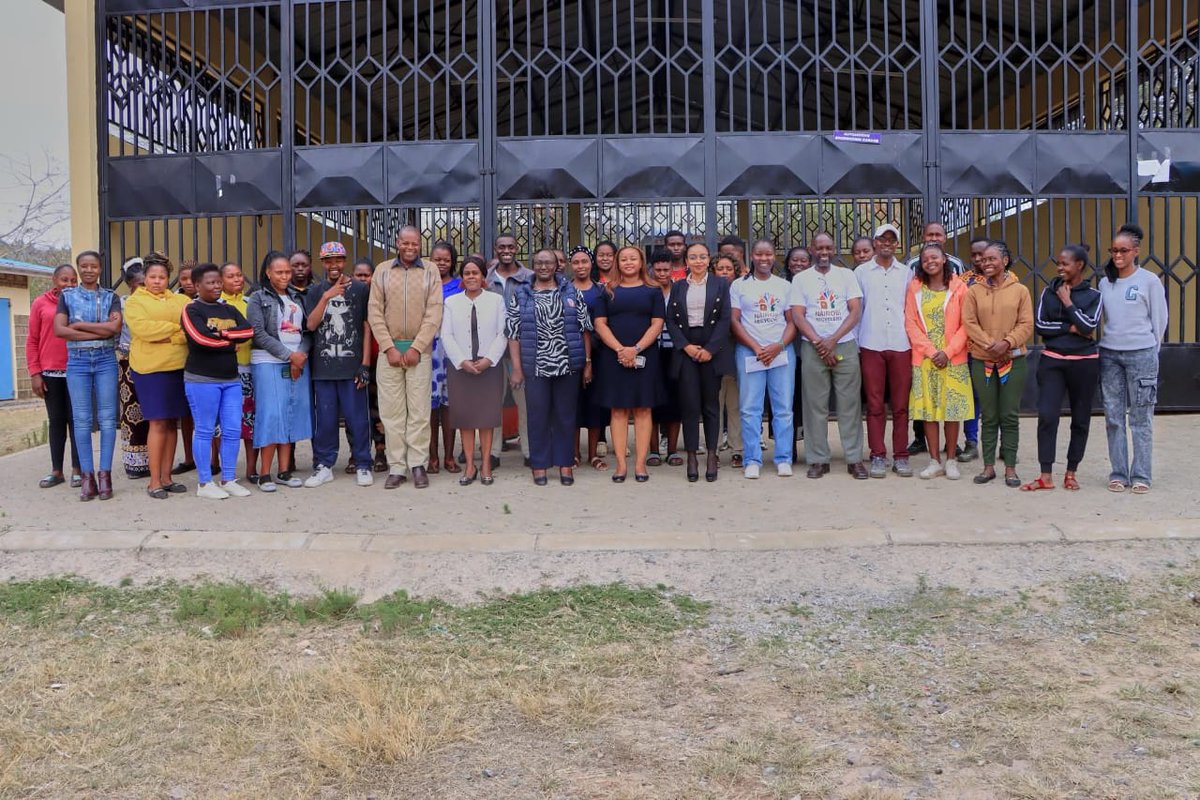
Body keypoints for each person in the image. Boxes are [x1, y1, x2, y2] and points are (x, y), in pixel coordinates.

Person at [506, 249, 593, 485]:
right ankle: (540, 464)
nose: (543, 267)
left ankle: (565, 463)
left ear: (557, 266)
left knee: (565, 416)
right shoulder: (521, 293)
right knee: (538, 416)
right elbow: (513, 333)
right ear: (533, 266)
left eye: (548, 263)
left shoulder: (571, 290)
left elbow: (585, 328)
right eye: (539, 263)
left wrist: (587, 362)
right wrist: (516, 367)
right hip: (535, 366)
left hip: (567, 365)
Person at [368, 226, 444, 489]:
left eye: (415, 244)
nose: (410, 248)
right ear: (397, 243)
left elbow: (435, 311)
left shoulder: (430, 270)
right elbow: (375, 311)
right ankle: (397, 466)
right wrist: (388, 347)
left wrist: (417, 347)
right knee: (392, 413)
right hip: (389, 355)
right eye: (406, 243)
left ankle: (417, 465)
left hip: (419, 353)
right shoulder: (383, 270)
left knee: (420, 411)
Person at [1024, 244, 1103, 492]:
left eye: (1065, 263)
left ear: (1079, 265)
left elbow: (1088, 327)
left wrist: (1068, 303)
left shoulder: (1094, 296)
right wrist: (1069, 327)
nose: (1059, 267)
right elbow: (1040, 326)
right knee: (1047, 416)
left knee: (1080, 419)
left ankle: (1071, 472)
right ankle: (1045, 475)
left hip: (1084, 364)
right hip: (1052, 361)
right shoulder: (1048, 292)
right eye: (1058, 263)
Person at [790, 232, 867, 479]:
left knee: (849, 405)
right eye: (819, 248)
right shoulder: (801, 279)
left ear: (834, 250)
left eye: (828, 248)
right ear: (812, 249)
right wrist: (818, 342)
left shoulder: (847, 275)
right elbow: (798, 315)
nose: (824, 253)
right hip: (812, 348)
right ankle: (818, 459)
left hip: (843, 345)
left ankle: (854, 459)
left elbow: (855, 311)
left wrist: (832, 340)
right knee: (814, 405)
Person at [1097, 223, 1168, 494]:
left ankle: (1141, 475)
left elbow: (1159, 320)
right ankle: (1118, 473)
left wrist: (1151, 350)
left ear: (1135, 251)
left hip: (1142, 354)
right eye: (1114, 250)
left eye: (1123, 250)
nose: (1118, 255)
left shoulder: (1148, 281)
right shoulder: (1106, 282)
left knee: (1140, 418)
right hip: (1110, 355)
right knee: (1113, 416)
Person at [302, 241, 375, 489]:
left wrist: (365, 364)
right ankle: (324, 465)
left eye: (338, 260)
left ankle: (363, 463)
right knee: (325, 419)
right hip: (323, 368)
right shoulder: (315, 291)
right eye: (328, 261)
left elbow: (366, 327)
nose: (334, 265)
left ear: (345, 261)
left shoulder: (359, 289)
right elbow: (311, 325)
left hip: (352, 366)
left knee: (358, 419)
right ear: (322, 263)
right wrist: (326, 296)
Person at [180, 263, 255, 499]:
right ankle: (204, 483)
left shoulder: (228, 309)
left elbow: (248, 331)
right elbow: (201, 339)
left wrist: (221, 335)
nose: (216, 286)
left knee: (232, 429)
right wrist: (230, 342)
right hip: (202, 380)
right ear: (197, 285)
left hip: (231, 379)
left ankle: (228, 478)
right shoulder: (191, 309)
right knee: (204, 430)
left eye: (218, 282)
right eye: (210, 282)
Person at [962, 240, 1034, 487]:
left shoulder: (1020, 291)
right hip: (982, 360)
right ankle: (988, 467)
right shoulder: (973, 291)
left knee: (1009, 415)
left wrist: (1007, 343)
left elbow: (1026, 324)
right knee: (989, 416)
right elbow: (969, 323)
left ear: (1004, 261)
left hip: (1013, 360)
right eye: (983, 259)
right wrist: (989, 344)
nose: (986, 263)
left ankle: (1010, 469)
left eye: (992, 258)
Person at [592, 245, 666, 483]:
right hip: (613, 357)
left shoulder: (653, 290)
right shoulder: (607, 290)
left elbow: (657, 324)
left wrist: (635, 349)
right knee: (618, 409)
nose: (628, 262)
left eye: (633, 258)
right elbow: (600, 323)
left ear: (641, 262)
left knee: (643, 408)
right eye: (623, 259)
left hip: (645, 356)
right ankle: (622, 465)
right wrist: (620, 350)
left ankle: (641, 464)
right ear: (617, 263)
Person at [54, 250, 121, 501]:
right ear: (79, 268)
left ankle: (105, 475)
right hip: (78, 362)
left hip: (105, 360)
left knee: (106, 419)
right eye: (84, 266)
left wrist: (80, 326)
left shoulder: (111, 297)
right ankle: (87, 477)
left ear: (100, 269)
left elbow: (115, 328)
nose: (89, 270)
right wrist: (100, 333)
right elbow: (60, 330)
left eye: (94, 266)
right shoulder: (67, 297)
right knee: (81, 420)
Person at [124, 251, 192, 499]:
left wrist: (168, 334)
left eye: (162, 277)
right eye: (152, 276)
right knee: (158, 422)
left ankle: (167, 477)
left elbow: (190, 329)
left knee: (172, 421)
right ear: (145, 277)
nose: (157, 281)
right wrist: (175, 332)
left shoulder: (180, 301)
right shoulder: (134, 302)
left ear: (168, 278)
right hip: (150, 369)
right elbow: (143, 330)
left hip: (178, 367)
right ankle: (153, 481)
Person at [904, 244, 974, 480]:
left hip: (953, 360)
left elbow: (968, 323)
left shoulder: (959, 287)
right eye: (925, 259)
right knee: (929, 412)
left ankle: (951, 459)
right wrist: (932, 352)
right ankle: (934, 461)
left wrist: (948, 351)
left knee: (952, 411)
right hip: (925, 360)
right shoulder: (915, 287)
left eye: (934, 257)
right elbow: (910, 322)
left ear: (944, 259)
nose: (930, 261)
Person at [731, 239, 797, 479]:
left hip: (780, 352)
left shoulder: (784, 286)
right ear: (752, 256)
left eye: (768, 254)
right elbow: (734, 321)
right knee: (750, 408)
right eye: (759, 254)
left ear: (774, 257)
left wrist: (777, 346)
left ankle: (783, 458)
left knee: (783, 408)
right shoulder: (739, 286)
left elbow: (792, 322)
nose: (764, 258)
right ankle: (752, 459)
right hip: (750, 352)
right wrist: (756, 347)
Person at [667, 242, 733, 482]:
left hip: (711, 348)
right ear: (686, 261)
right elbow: (671, 320)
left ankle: (712, 455)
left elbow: (725, 318)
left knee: (711, 405)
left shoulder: (720, 285)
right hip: (687, 348)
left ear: (709, 260)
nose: (697, 261)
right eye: (693, 257)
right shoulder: (678, 287)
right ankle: (693, 456)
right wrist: (685, 346)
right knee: (690, 405)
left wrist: (710, 349)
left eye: (702, 257)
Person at [248, 251, 312, 492]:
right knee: (272, 414)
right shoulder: (257, 298)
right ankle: (265, 473)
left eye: (288, 271)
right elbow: (259, 333)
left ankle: (284, 471)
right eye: (280, 272)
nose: (286, 276)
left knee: (291, 412)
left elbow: (307, 332)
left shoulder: (298, 296)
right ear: (268, 272)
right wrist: (289, 356)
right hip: (268, 362)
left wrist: (300, 357)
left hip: (297, 363)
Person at [856, 223, 914, 478]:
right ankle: (878, 454)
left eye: (892, 240)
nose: (887, 243)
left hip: (901, 343)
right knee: (875, 403)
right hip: (871, 342)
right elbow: (856, 310)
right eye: (882, 239)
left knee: (901, 405)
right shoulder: (861, 272)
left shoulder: (907, 273)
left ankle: (901, 455)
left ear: (897, 244)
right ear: (875, 242)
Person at [443, 256, 506, 485]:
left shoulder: (496, 301)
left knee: (486, 418)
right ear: (462, 277)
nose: (471, 277)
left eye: (475, 273)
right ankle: (469, 465)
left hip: (489, 367)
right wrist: (462, 361)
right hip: (461, 369)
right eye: (467, 273)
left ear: (483, 277)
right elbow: (446, 335)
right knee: (466, 418)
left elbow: (502, 333)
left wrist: (489, 359)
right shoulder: (451, 302)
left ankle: (486, 464)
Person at [27, 264, 81, 489]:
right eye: (64, 280)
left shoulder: (80, 302)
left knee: (78, 421)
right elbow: (32, 340)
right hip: (51, 373)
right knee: (57, 421)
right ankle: (56, 471)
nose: (69, 285)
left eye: (72, 280)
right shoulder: (41, 303)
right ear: (54, 280)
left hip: (79, 371)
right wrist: (35, 373)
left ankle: (78, 470)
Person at [485, 232, 532, 467]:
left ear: (516, 248)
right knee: (493, 404)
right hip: (492, 352)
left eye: (511, 246)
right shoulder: (486, 279)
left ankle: (529, 451)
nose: (506, 250)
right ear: (496, 248)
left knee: (525, 403)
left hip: (521, 352)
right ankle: (493, 452)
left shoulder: (530, 278)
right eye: (502, 246)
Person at [570, 245, 610, 470]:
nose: (580, 266)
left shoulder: (602, 291)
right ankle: (574, 453)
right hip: (570, 353)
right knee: (573, 404)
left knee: (595, 405)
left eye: (584, 261)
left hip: (600, 353)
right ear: (570, 265)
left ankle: (593, 454)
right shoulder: (563, 290)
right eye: (576, 262)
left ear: (591, 263)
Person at [220, 262, 259, 482]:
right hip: (223, 370)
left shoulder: (249, 303)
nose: (237, 279)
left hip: (248, 369)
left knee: (250, 422)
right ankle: (224, 469)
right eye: (231, 276)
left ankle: (251, 469)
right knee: (225, 423)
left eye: (239, 275)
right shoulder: (216, 305)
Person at [428, 240, 463, 475]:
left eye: (446, 259)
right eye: (437, 259)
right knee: (430, 406)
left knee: (450, 405)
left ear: (452, 262)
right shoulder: (423, 283)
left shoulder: (460, 284)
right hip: (427, 350)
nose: (441, 263)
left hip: (452, 350)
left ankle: (449, 457)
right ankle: (432, 458)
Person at [352, 257, 389, 473]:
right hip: (352, 363)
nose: (364, 279)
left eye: (367, 275)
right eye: (359, 275)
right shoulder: (349, 296)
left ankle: (381, 452)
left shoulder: (382, 298)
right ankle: (356, 454)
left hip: (379, 362)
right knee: (356, 412)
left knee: (379, 411)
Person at [115, 259, 151, 481]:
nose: (143, 289)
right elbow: (116, 333)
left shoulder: (154, 301)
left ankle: (153, 458)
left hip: (152, 360)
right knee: (132, 413)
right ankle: (135, 464)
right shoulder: (123, 303)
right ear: (130, 285)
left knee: (152, 413)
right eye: (139, 285)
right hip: (128, 363)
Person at [648, 248, 682, 467]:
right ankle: (652, 451)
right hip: (650, 351)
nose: (662, 273)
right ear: (651, 269)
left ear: (672, 269)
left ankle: (671, 450)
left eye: (665, 269)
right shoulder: (646, 291)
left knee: (675, 402)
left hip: (675, 351)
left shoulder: (680, 291)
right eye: (658, 269)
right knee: (651, 403)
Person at [711, 254, 743, 466]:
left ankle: (737, 450)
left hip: (735, 353)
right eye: (720, 268)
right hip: (712, 355)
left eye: (728, 269)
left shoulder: (741, 291)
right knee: (714, 405)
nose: (724, 272)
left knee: (735, 404)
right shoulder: (708, 291)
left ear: (735, 271)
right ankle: (713, 449)